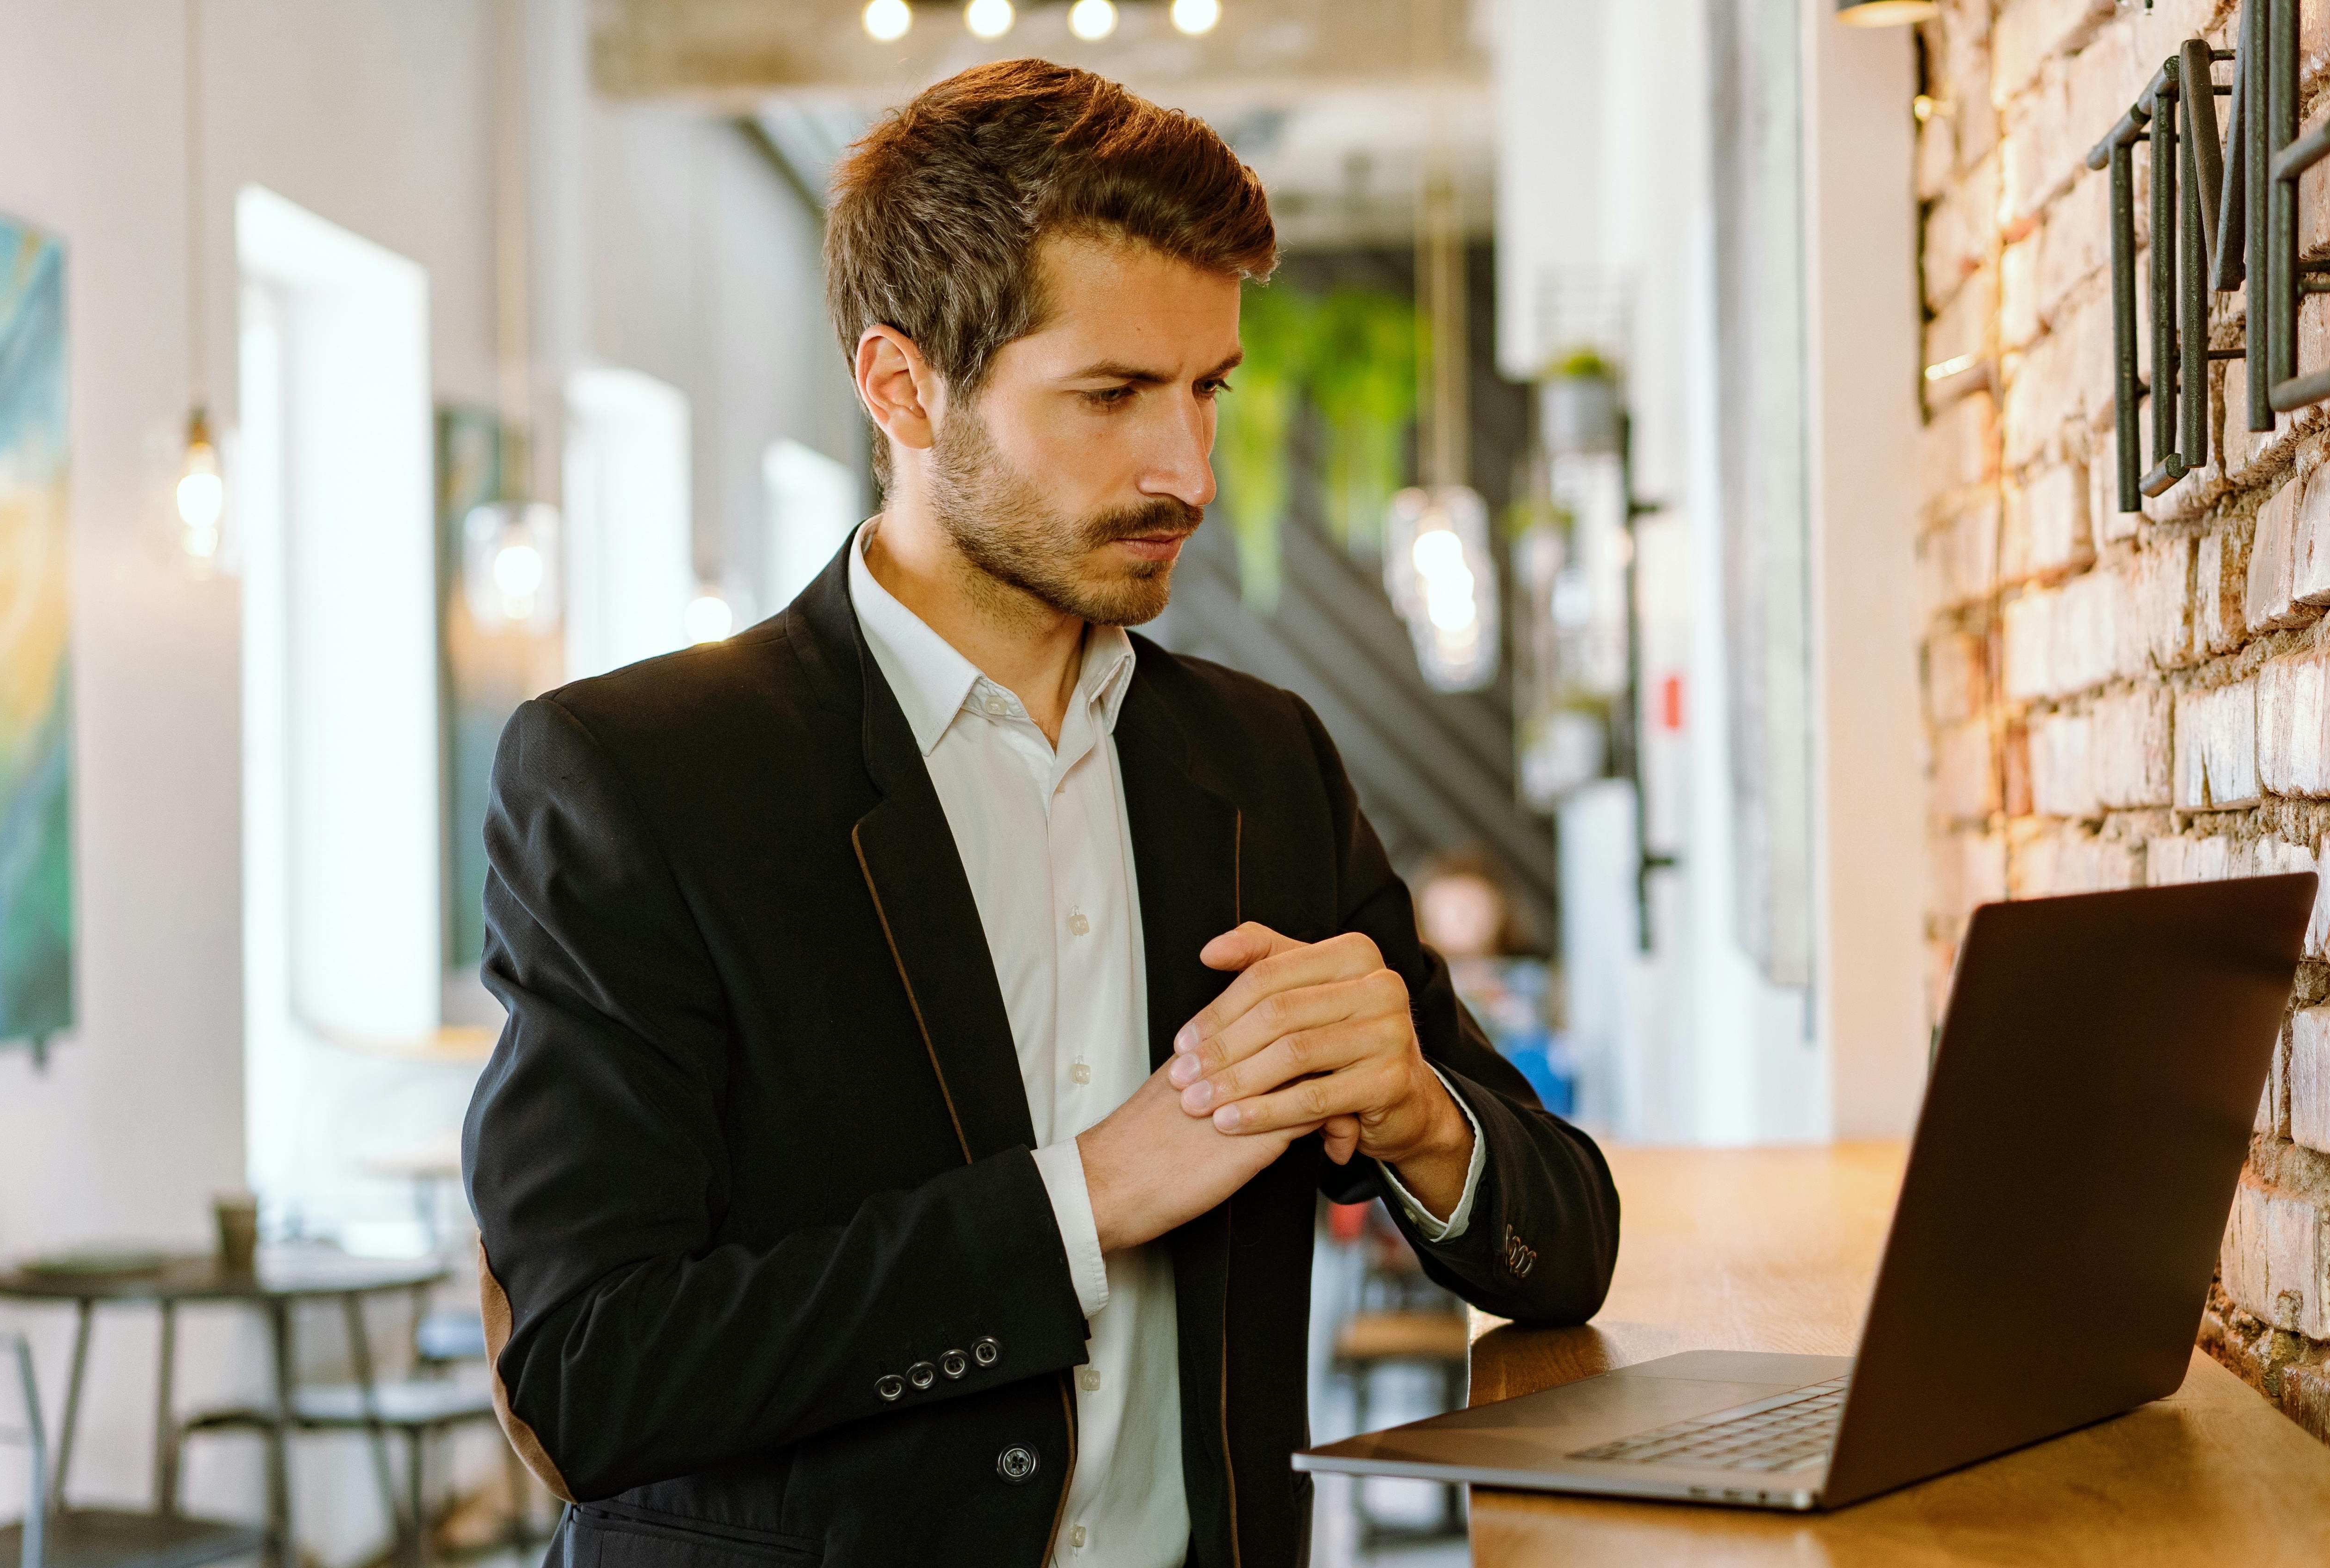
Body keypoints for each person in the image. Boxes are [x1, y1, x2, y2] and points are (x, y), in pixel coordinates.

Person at [462, 58, 1619, 1568]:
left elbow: (1565, 1241)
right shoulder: (635, 776)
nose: (1187, 469)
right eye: (1112, 396)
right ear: (903, 387)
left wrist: (1419, 1118)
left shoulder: (1267, 764)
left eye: (1210, 389)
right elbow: (588, 1380)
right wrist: (1085, 1200)